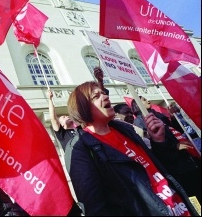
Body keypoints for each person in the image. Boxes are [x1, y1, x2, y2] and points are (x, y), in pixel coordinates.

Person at [66, 81, 199, 216]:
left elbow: (160, 169)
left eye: (104, 93)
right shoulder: (80, 147)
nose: (106, 97)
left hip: (180, 208)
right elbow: (95, 208)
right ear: (81, 108)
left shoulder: (126, 129)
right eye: (96, 96)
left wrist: (159, 142)